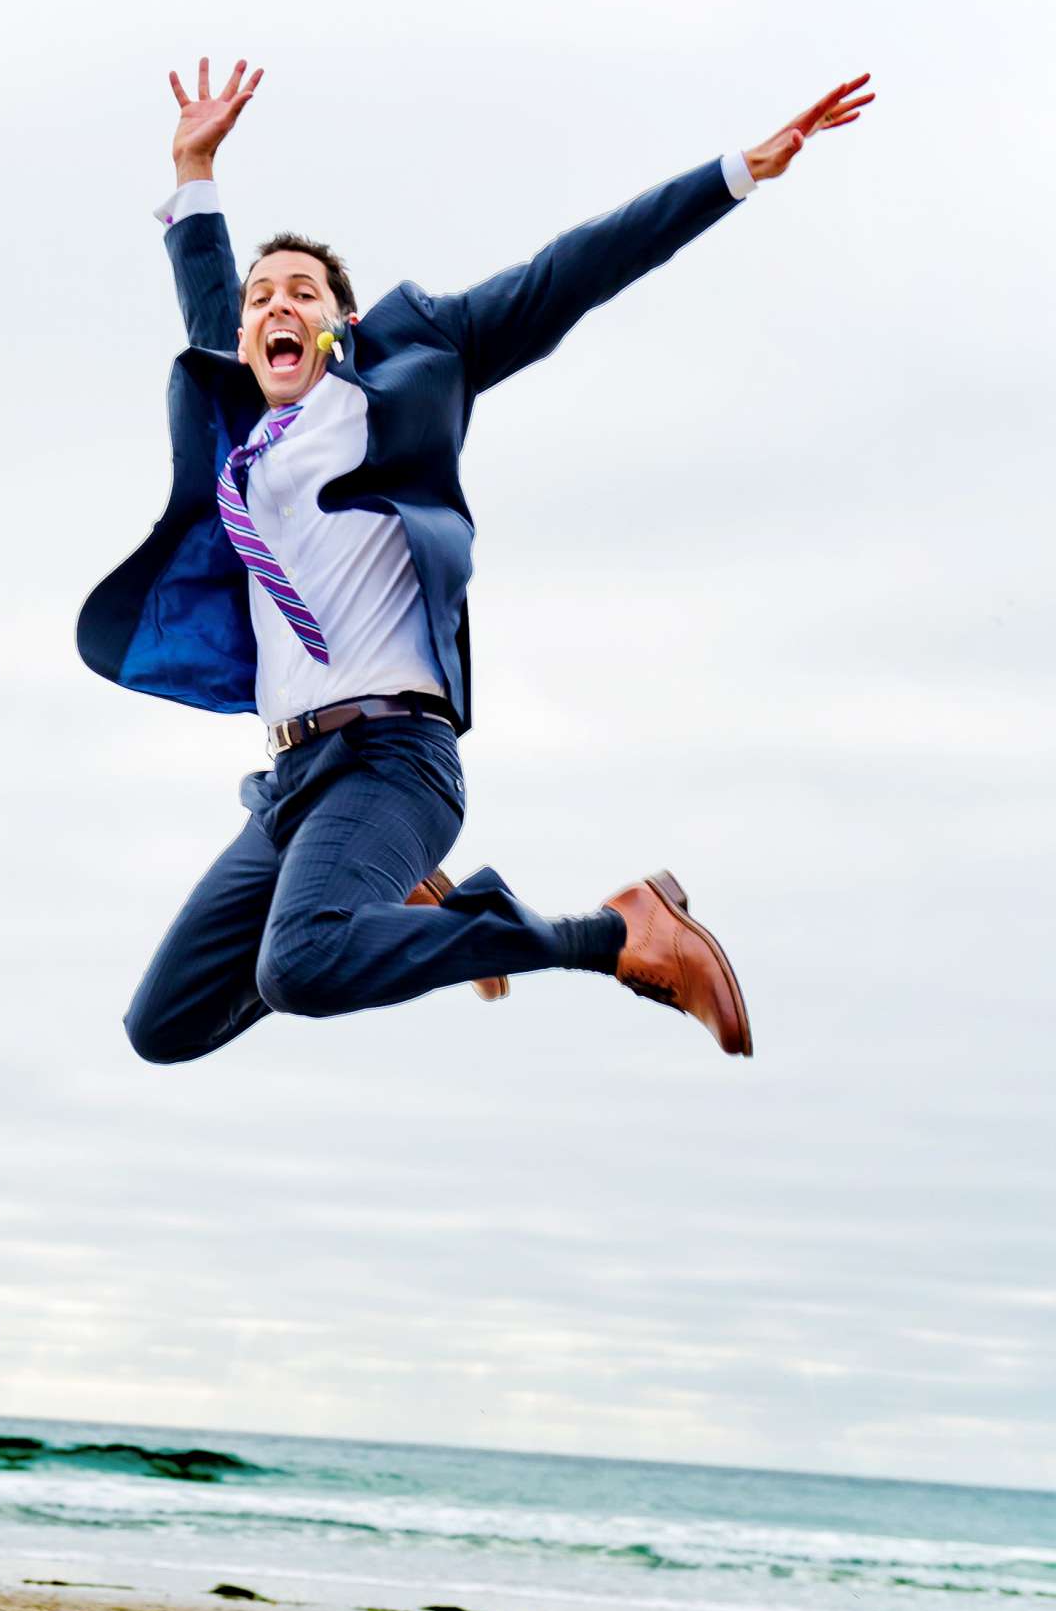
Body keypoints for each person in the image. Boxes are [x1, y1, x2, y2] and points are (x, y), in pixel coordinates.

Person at [78, 57, 873, 1067]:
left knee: (300, 966)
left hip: (394, 762)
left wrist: (733, 174)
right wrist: (193, 165)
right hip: (292, 780)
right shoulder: (242, 428)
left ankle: (614, 933)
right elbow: (206, 299)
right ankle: (398, 904)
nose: (278, 305)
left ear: (341, 323)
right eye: (259, 297)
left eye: (304, 292)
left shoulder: (410, 373)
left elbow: (568, 270)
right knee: (164, 1026)